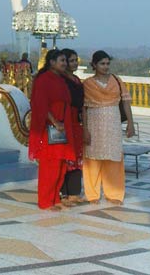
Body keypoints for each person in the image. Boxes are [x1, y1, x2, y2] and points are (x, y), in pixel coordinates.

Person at [83, 50, 135, 205]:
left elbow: (126, 102)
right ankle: (92, 194)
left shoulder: (117, 81)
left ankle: (114, 193)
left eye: (107, 63)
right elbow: (83, 108)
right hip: (94, 123)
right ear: (94, 65)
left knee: (113, 156)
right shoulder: (87, 84)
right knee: (93, 158)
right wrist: (85, 128)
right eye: (102, 64)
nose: (105, 67)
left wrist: (130, 123)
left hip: (113, 122)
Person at [29, 49, 78, 210]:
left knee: (61, 164)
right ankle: (45, 201)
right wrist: (55, 122)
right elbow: (41, 105)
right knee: (49, 165)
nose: (64, 64)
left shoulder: (61, 80)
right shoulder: (44, 80)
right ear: (51, 62)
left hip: (64, 126)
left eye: (65, 61)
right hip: (51, 128)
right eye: (61, 60)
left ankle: (55, 197)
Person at [59, 48, 85, 205]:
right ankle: (63, 192)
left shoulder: (76, 80)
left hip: (76, 122)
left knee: (76, 157)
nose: (75, 63)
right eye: (71, 60)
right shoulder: (60, 80)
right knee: (64, 156)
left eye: (76, 60)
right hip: (65, 120)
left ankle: (74, 193)